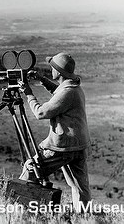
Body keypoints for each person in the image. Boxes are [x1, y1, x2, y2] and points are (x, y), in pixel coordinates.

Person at [18, 52, 91, 212]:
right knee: (79, 187)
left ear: (58, 72)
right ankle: (85, 218)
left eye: (52, 68)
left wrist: (28, 94)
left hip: (63, 146)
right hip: (79, 145)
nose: (50, 69)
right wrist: (42, 80)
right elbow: (59, 93)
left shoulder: (68, 92)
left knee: (30, 171)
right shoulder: (74, 87)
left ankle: (22, 211)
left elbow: (41, 113)